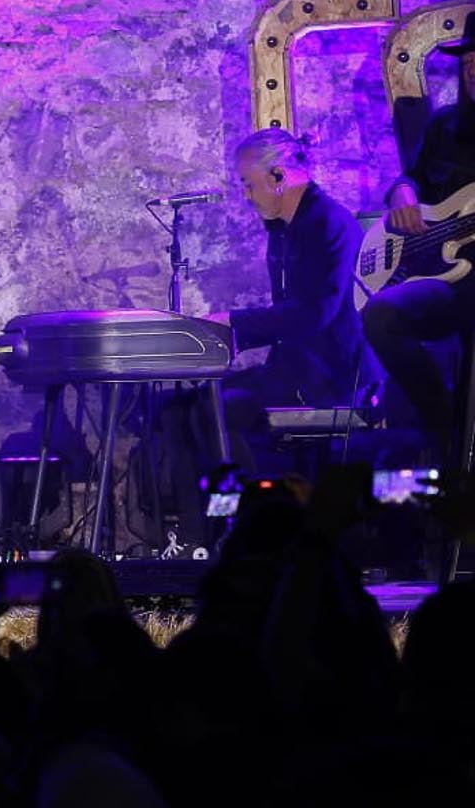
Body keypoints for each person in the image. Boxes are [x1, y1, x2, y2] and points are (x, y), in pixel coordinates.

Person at [160, 128, 369, 549]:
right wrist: (229, 338)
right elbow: (288, 317)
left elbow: (316, 314)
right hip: (294, 369)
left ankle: (254, 531)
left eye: (248, 184)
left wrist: (234, 322)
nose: (247, 196)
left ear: (278, 177)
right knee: (173, 409)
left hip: (329, 377)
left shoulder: (328, 223)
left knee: (214, 412)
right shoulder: (285, 229)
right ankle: (204, 535)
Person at [363, 31, 475, 461]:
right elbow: (411, 178)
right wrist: (402, 196)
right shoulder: (446, 126)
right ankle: (444, 426)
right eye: (467, 66)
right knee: (382, 313)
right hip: (447, 280)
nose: (474, 72)